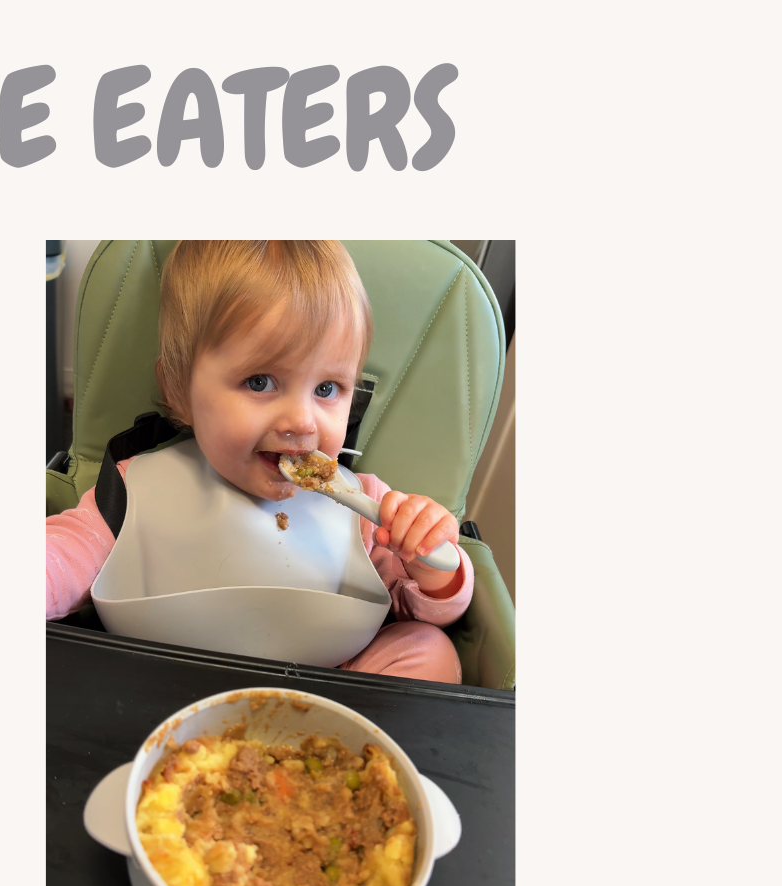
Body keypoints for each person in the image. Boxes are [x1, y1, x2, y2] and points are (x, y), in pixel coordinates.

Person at [46, 241, 472, 682]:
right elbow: (65, 554)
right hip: (162, 685)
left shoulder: (368, 510)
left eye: (327, 389)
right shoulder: (136, 486)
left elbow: (427, 608)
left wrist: (429, 563)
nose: (303, 421)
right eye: (260, 381)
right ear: (179, 389)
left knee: (428, 650)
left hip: (319, 694)